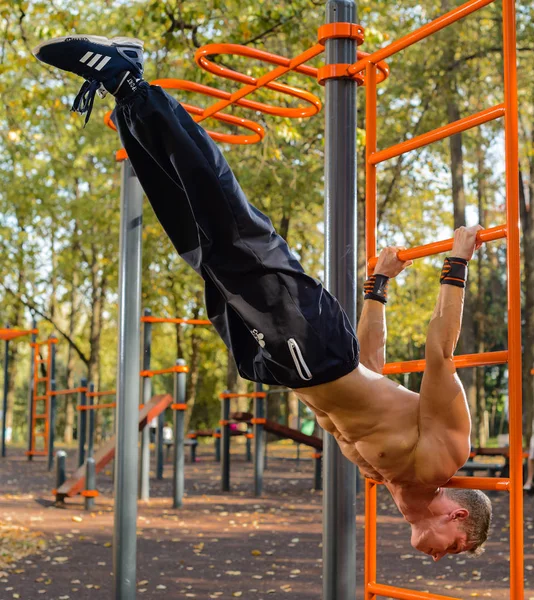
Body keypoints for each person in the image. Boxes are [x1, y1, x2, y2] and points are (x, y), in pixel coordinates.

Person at [34, 34, 491, 560]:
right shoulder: (444, 456)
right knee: (231, 229)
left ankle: (127, 93)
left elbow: (370, 368)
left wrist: (377, 289)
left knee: (197, 246)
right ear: (457, 514)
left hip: (284, 365)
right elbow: (440, 356)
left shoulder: (389, 481)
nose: (439, 556)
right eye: (455, 548)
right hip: (313, 346)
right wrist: (456, 263)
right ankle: (132, 82)